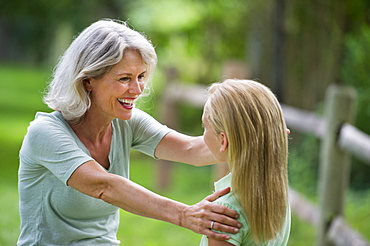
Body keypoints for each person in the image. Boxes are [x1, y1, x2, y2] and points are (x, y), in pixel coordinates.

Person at [17, 19, 241, 245]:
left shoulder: (126, 122)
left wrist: (256, 135)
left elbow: (194, 150)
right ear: (87, 82)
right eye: (124, 79)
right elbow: (104, 186)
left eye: (141, 76)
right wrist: (184, 215)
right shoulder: (44, 133)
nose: (137, 90)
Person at [199, 79, 291, 246]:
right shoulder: (276, 196)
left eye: (204, 127)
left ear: (223, 140)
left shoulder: (224, 213)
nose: (203, 135)